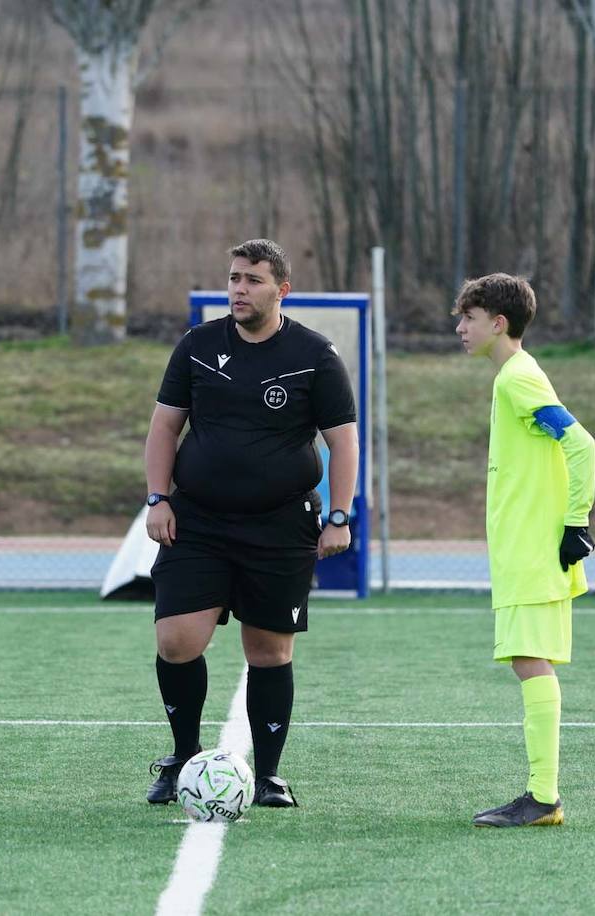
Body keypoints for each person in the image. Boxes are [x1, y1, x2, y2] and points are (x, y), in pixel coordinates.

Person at [142, 239, 359, 808]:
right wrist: (156, 499)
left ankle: (267, 775)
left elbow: (343, 439)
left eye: (253, 280)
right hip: (198, 521)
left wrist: (339, 516)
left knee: (269, 652)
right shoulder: (197, 344)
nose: (239, 289)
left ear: (281, 290)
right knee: (176, 641)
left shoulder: (316, 354)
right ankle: (183, 757)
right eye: (234, 278)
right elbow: (165, 428)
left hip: (281, 526)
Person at [453, 273, 595, 828]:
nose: (461, 328)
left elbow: (580, 442)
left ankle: (543, 797)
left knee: (530, 663)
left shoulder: (517, 378)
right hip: (525, 549)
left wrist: (575, 523)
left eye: (469, 317)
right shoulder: (512, 377)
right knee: (526, 661)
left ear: (498, 323)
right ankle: (542, 795)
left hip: (535, 550)